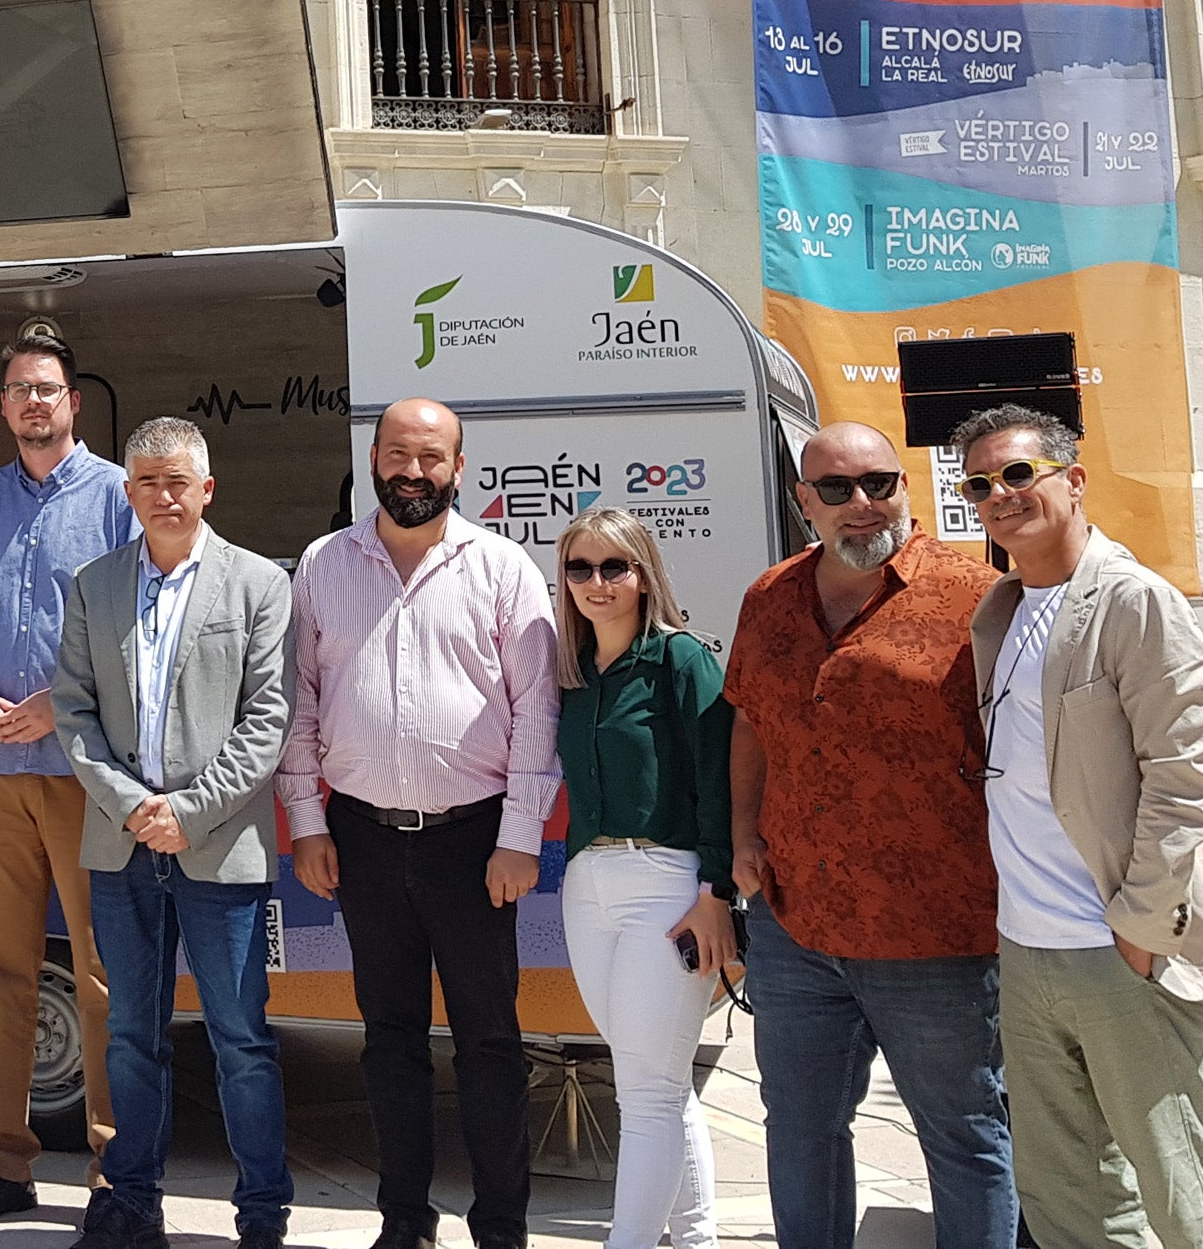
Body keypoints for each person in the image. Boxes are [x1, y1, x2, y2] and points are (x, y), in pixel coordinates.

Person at [954, 406, 1203, 1249]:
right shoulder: (1002, 611)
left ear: (1073, 480)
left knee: (1179, 1193)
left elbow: (1185, 780)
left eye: (1019, 474)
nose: (1000, 496)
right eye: (981, 484)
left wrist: (1143, 927)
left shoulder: (1133, 600)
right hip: (1027, 946)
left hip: (1118, 950)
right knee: (1064, 1196)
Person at [277, 398, 558, 1249]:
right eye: (398, 453)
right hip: (359, 836)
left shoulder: (504, 567)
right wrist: (305, 821)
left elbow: (535, 711)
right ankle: (405, 1220)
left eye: (432, 457)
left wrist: (518, 837)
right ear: (372, 459)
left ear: (461, 468)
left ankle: (501, 1226)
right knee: (388, 1039)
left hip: (474, 844)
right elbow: (299, 704)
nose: (413, 471)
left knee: (490, 1043)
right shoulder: (323, 565)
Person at [726, 421, 1015, 1249]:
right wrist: (744, 837)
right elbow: (751, 723)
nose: (861, 505)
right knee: (801, 1131)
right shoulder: (769, 597)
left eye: (879, 483)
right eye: (837, 490)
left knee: (965, 1138)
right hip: (796, 922)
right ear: (802, 501)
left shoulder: (978, 597)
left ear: (906, 488)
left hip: (933, 934)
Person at [54, 419, 294, 1249]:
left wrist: (186, 812)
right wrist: (130, 805)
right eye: (147, 482)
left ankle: (262, 1214)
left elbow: (268, 721)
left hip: (219, 848)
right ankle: (130, 1203)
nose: (163, 495)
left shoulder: (260, 584)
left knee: (242, 1041)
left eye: (177, 481)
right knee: (129, 1034)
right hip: (120, 848)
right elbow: (73, 713)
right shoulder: (94, 584)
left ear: (207, 490)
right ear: (128, 494)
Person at [0, 328, 136, 1222]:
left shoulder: (115, 499)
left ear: (75, 402)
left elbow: (137, 619)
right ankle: (2, 1166)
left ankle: (111, 1174)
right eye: (17, 389)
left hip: (84, 771)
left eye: (46, 389)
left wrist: (63, 703)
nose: (31, 402)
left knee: (99, 973)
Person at [551, 508, 734, 1249]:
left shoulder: (681, 660)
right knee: (654, 1083)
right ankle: (696, 1241)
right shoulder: (569, 673)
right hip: (587, 884)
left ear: (643, 573)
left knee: (648, 1096)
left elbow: (722, 783)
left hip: (668, 881)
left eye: (613, 567)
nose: (597, 584)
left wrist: (717, 893)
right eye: (580, 568)